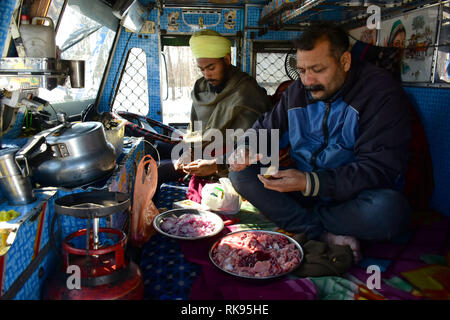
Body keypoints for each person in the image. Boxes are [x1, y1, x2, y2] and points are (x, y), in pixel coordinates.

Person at [228, 22, 412, 262]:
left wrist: (311, 182)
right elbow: (264, 129)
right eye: (302, 70)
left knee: (389, 211)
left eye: (317, 69)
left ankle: (306, 223)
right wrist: (246, 149)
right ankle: (323, 232)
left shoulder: (379, 94)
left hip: (351, 198)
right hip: (301, 188)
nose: (307, 80)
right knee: (239, 175)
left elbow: (379, 169)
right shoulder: (296, 92)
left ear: (345, 61)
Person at [173, 29, 272, 178]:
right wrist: (190, 152)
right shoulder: (200, 87)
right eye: (202, 69)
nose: (207, 75)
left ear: (226, 60)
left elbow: (256, 143)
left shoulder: (246, 91)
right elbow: (196, 130)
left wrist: (216, 164)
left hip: (234, 166)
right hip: (203, 157)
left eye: (211, 68)